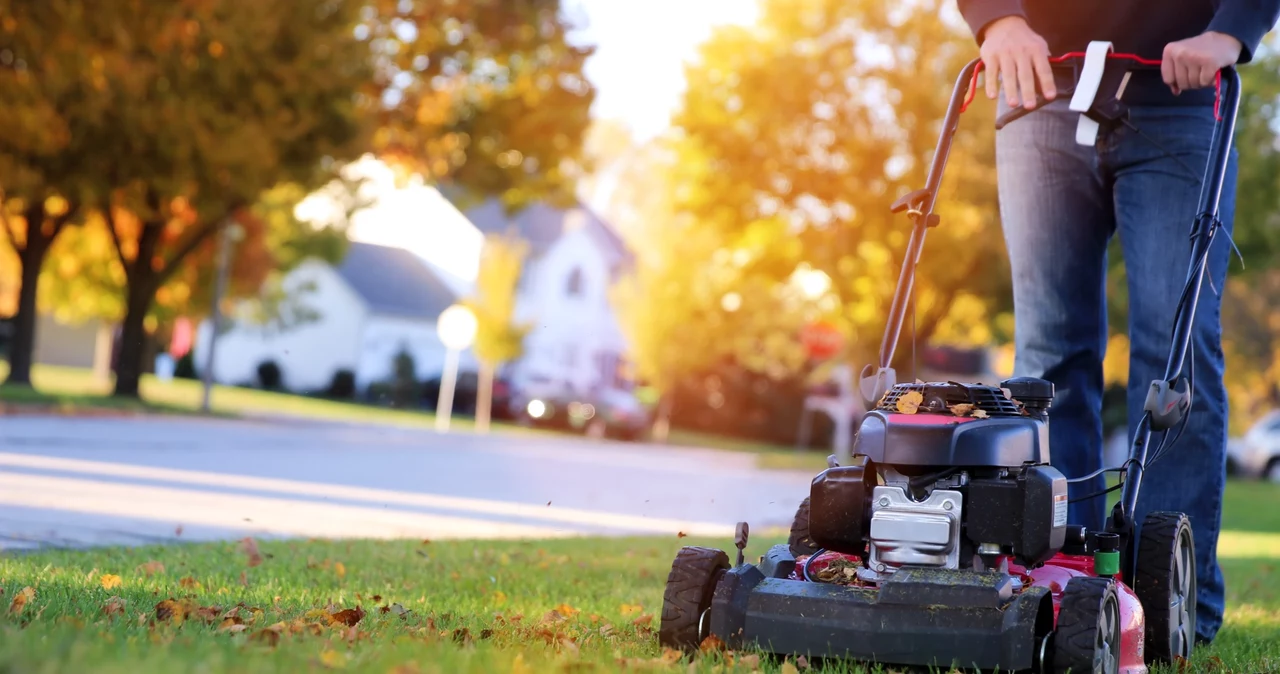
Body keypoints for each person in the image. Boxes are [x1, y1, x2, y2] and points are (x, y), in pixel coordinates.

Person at [955, 0, 1280, 646]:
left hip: (1182, 100)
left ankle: (1166, 605)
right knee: (1048, 359)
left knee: (1175, 356)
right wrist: (997, 19)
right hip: (1040, 91)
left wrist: (1229, 33)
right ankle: (1060, 580)